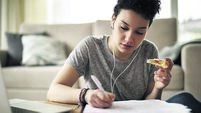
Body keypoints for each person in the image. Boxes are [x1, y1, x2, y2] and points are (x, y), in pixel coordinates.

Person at [47, 0, 201, 112]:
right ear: (113, 20)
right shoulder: (90, 47)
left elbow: (150, 104)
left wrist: (158, 87)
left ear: (147, 29)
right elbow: (54, 90)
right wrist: (86, 95)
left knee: (185, 99)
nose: (129, 39)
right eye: (124, 27)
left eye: (139, 32)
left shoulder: (149, 51)